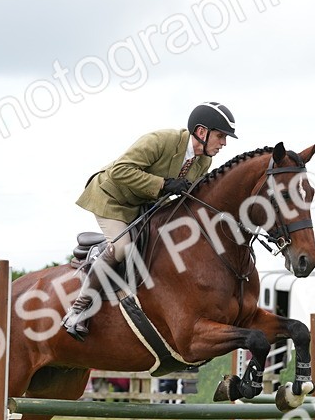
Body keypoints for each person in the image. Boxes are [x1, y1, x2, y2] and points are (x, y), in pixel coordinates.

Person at [62, 102, 237, 340]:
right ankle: (78, 310)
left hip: (143, 205)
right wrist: (163, 184)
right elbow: (120, 170)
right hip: (112, 198)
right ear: (202, 132)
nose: (224, 143)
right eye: (221, 136)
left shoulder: (203, 162)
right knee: (123, 247)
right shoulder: (161, 140)